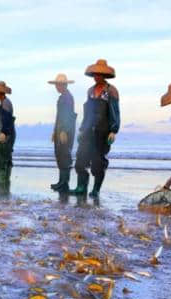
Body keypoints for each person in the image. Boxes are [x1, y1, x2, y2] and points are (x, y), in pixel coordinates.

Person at [69, 59, 120, 198]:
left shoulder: (111, 91)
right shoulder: (90, 91)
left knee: (98, 163)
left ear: (104, 75)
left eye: (99, 74)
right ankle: (81, 187)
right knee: (80, 160)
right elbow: (87, 113)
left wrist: (113, 130)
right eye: (95, 74)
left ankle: (96, 189)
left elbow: (115, 111)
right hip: (87, 131)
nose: (96, 77)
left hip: (103, 132)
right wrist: (81, 130)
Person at [48, 74, 77, 193]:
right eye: (56, 85)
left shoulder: (68, 97)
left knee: (65, 155)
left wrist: (64, 130)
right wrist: (55, 131)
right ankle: (61, 181)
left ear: (64, 85)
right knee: (59, 154)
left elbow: (68, 115)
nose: (57, 87)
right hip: (60, 130)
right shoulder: (62, 97)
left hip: (65, 130)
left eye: (59, 85)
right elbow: (59, 117)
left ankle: (64, 183)